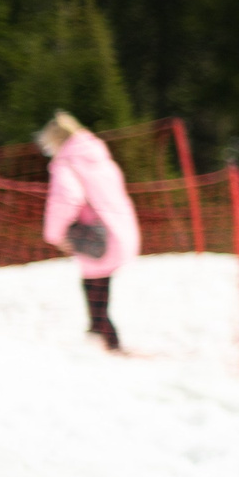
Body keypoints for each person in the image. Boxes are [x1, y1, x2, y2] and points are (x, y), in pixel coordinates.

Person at [38, 111, 140, 351]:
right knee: (99, 291)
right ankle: (103, 341)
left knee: (94, 297)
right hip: (116, 234)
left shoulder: (66, 163)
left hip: (94, 239)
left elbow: (67, 198)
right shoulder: (98, 156)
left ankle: (108, 347)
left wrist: (55, 234)